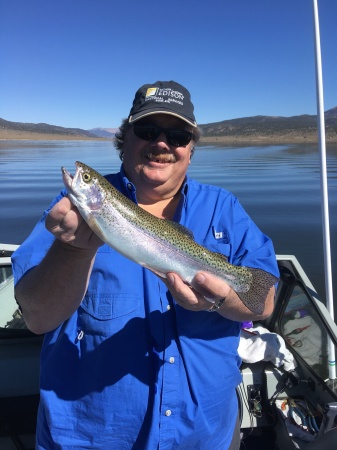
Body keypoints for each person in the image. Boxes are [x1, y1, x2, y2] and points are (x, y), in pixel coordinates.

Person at [12, 80, 279, 449]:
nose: (162, 143)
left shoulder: (224, 208)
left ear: (190, 149)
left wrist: (218, 300)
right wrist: (72, 250)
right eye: (148, 130)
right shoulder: (71, 214)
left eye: (178, 135)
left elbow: (263, 302)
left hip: (205, 435)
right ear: (126, 139)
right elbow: (36, 317)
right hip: (95, 438)